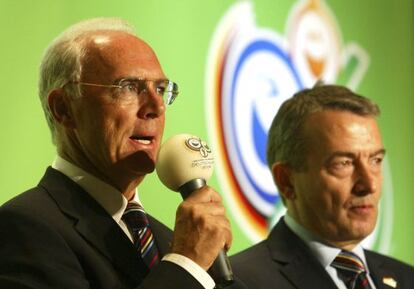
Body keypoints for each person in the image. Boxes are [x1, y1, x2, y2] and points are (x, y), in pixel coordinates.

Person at [0, 18, 243, 289]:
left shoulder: (167, 240)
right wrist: (186, 264)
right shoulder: (23, 228)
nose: (156, 107)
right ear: (63, 108)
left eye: (161, 90)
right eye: (128, 87)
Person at [231, 85, 414, 288]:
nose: (369, 184)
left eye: (375, 160)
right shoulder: (240, 282)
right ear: (286, 180)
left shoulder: (407, 278)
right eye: (343, 163)